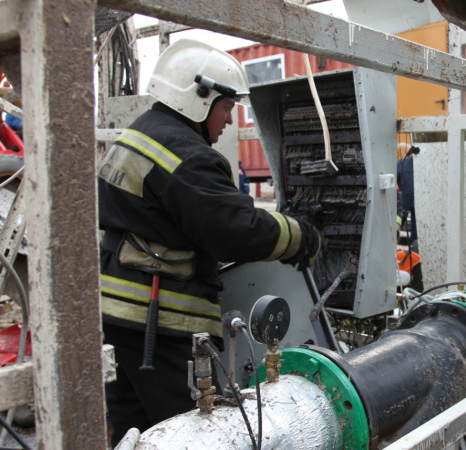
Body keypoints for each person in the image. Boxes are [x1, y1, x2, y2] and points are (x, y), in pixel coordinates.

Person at [97, 39, 320, 446]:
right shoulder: (187, 154)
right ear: (198, 100)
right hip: (160, 323)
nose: (229, 121)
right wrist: (301, 236)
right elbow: (236, 230)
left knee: (133, 430)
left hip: (118, 315)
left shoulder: (141, 133)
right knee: (188, 433)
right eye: (226, 107)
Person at [396, 144, 419, 244]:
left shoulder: (401, 162)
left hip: (407, 202)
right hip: (410, 202)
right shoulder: (402, 163)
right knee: (414, 229)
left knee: (398, 225)